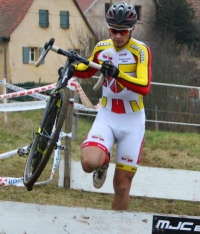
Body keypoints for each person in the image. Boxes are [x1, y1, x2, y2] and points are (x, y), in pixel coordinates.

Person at [72, 1, 152, 210]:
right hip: (107, 115)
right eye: (113, 31)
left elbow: (144, 86)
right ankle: (103, 159)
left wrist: (118, 74)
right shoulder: (102, 48)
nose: (117, 36)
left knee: (122, 185)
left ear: (132, 29)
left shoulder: (140, 51)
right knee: (88, 163)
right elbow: (87, 69)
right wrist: (71, 65)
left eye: (123, 32)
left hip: (132, 120)